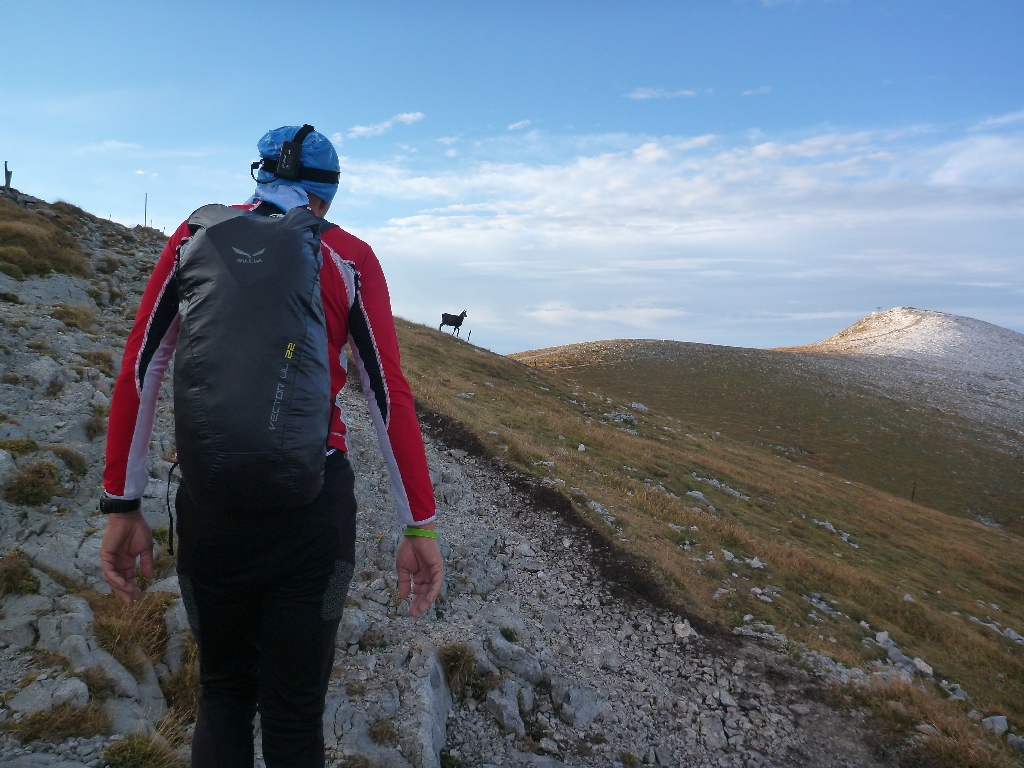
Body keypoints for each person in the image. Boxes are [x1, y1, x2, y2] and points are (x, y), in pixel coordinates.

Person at [97, 125, 443, 766]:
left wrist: (123, 504)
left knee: (223, 694)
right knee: (293, 715)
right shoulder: (349, 256)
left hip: (212, 504)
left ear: (257, 177)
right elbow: (386, 392)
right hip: (315, 512)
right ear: (326, 195)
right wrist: (417, 524)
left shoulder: (195, 236)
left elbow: (141, 368)